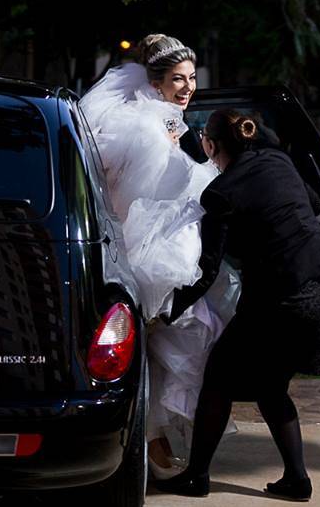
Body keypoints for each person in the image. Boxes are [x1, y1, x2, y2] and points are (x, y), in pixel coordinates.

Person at [155, 109, 320, 500]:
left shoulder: (220, 193)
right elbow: (310, 205)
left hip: (286, 298)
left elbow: (207, 271)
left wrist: (163, 312)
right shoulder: (279, 160)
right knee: (271, 386)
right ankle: (297, 479)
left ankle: (197, 476)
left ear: (211, 146)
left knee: (219, 377)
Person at [78, 34, 240, 478]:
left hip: (177, 254)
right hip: (149, 256)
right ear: (155, 83)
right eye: (177, 80)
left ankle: (158, 442)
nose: (187, 88)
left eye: (191, 79)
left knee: (175, 349)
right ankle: (149, 444)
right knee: (152, 353)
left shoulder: (172, 124)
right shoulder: (145, 129)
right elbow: (136, 204)